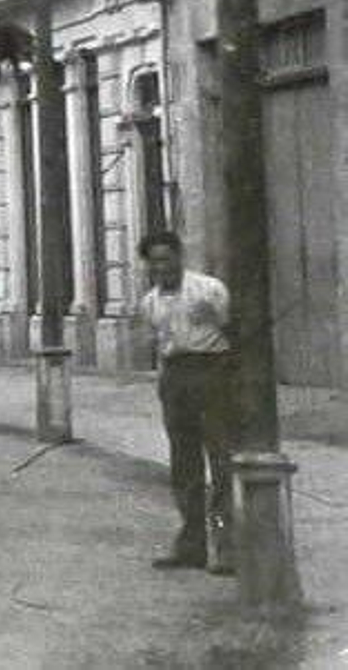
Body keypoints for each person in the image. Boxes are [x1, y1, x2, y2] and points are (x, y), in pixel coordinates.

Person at [136, 230, 238, 575]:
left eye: (166, 259)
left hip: (211, 371)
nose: (161, 267)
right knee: (184, 464)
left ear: (179, 257)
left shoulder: (209, 290)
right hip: (175, 377)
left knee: (222, 458)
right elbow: (159, 343)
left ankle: (227, 548)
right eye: (154, 262)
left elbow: (232, 331)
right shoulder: (150, 302)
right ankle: (191, 545)